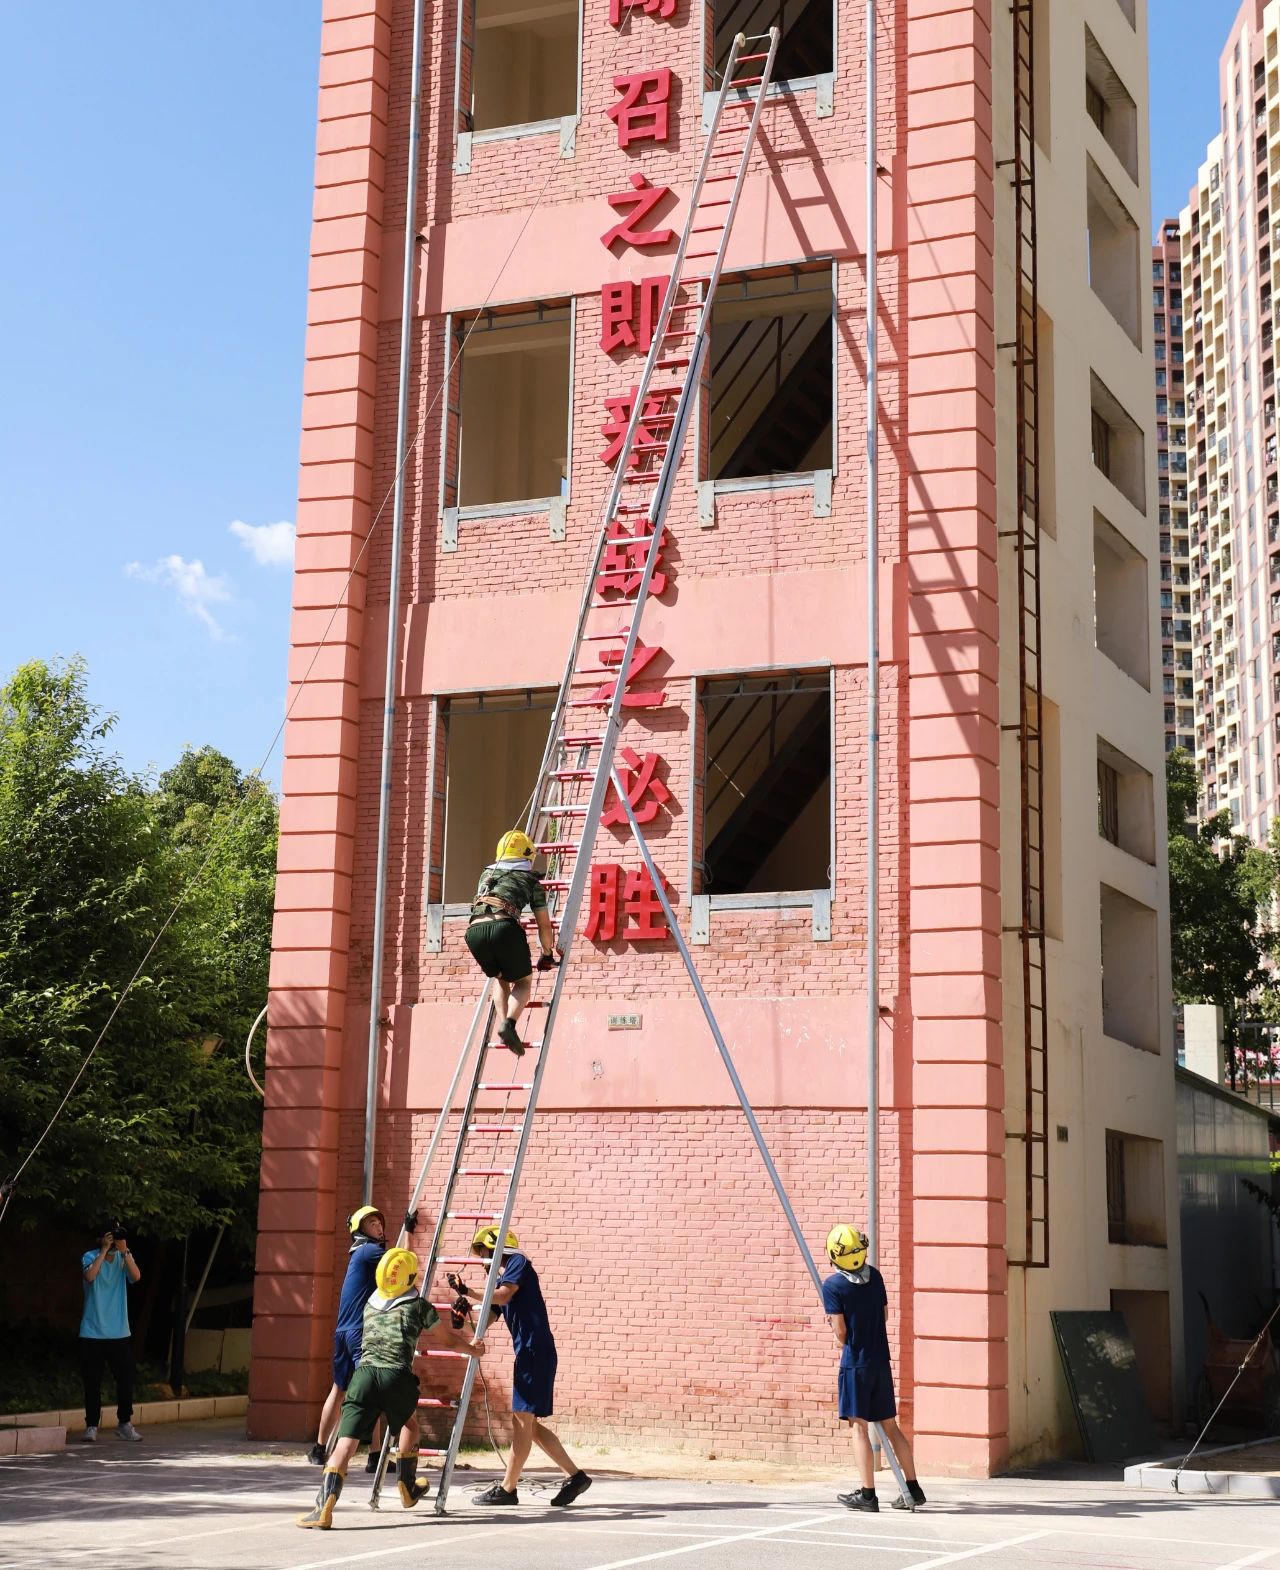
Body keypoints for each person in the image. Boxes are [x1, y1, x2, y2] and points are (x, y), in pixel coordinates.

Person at [296, 1247, 484, 1530]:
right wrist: (473, 1349)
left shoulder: (370, 1304)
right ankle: (407, 1487)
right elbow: (447, 1341)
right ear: (408, 1278)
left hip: (363, 1377)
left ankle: (323, 1509)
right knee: (410, 1425)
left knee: (346, 1442)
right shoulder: (418, 1306)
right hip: (396, 1376)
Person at [449, 1226, 591, 1508]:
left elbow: (502, 1296)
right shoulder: (501, 1281)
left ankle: (508, 1488)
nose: (483, 1260)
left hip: (534, 1351)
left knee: (521, 1422)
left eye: (484, 1252)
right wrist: (461, 1319)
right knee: (530, 1427)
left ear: (498, 1248)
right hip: (528, 1353)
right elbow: (482, 1325)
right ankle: (575, 1477)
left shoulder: (518, 1262)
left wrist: (468, 1291)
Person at [821, 1224, 925, 1513]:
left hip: (855, 1363)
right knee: (891, 1426)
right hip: (881, 1360)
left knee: (859, 1427)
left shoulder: (832, 1286)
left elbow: (841, 1333)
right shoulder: (875, 1276)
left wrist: (835, 1331)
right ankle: (913, 1488)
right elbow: (884, 1315)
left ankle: (867, 1494)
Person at [464, 830, 560, 1054]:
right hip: (504, 928)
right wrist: (547, 953)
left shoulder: (486, 874)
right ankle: (509, 1024)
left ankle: (505, 1027)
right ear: (528, 856)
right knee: (524, 981)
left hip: (473, 932)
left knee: (500, 977)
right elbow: (544, 925)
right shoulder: (531, 881)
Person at [307, 1205, 388, 1468]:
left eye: (379, 1222)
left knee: (339, 1388)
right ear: (360, 1231)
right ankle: (373, 1455)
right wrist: (410, 1233)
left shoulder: (358, 1254)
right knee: (372, 1390)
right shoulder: (369, 1251)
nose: (378, 1226)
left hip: (344, 1332)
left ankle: (319, 1448)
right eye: (372, 1223)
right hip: (359, 1333)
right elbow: (401, 1263)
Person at [79, 1220, 142, 1443]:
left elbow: (136, 1277)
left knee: (125, 1379)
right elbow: (90, 1276)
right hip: (92, 1331)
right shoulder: (89, 1256)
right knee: (92, 1382)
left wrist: (125, 1251)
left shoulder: (123, 1258)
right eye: (110, 1235)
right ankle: (91, 1425)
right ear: (101, 1237)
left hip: (118, 1332)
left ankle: (124, 1423)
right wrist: (104, 1250)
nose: (114, 1239)